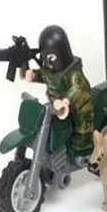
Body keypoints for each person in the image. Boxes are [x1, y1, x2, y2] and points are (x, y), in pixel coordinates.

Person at [20, 25, 94, 164]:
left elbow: (78, 88)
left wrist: (66, 101)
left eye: (51, 57)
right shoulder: (50, 69)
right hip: (56, 107)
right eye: (45, 57)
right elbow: (46, 76)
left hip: (78, 105)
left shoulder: (73, 73)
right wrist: (33, 75)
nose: (48, 62)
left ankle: (85, 152)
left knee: (82, 126)